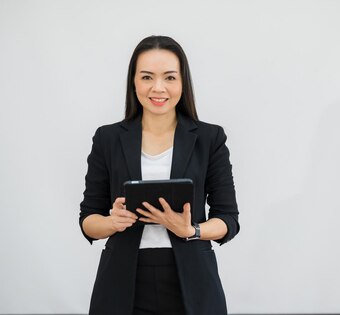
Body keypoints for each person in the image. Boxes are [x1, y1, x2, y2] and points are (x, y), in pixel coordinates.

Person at [79, 35, 240, 315]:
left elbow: (228, 219)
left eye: (169, 77)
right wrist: (112, 222)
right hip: (122, 282)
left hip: (192, 281)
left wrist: (191, 231)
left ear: (182, 82)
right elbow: (88, 220)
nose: (158, 88)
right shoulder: (107, 138)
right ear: (133, 82)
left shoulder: (209, 138)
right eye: (146, 77)